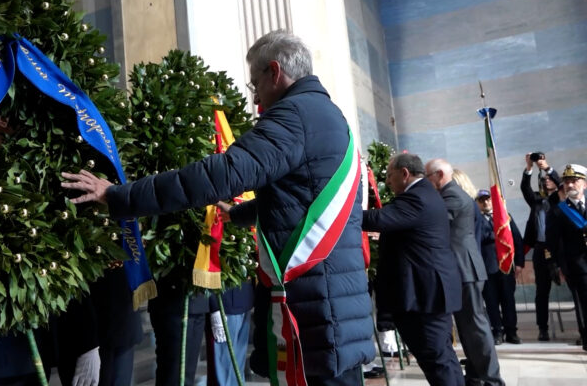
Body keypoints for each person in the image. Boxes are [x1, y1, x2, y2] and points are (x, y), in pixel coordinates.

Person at [62, 30, 375, 384]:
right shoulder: (328, 115)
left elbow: (219, 174)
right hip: (334, 305)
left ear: (274, 72)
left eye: (255, 83)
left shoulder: (294, 118)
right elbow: (304, 198)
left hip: (319, 310)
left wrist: (119, 196)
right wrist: (239, 214)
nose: (255, 96)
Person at [361, 153, 464, 386]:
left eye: (390, 176)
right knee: (442, 358)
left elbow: (378, 219)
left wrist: (337, 212)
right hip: (428, 293)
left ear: (404, 174)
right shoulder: (425, 194)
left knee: (437, 360)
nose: (387, 182)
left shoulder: (417, 198)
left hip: (425, 296)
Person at [424, 159, 504, 385]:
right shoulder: (451, 194)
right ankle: (478, 375)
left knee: (475, 327)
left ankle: (491, 379)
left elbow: (432, 224)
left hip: (464, 268)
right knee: (469, 327)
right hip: (462, 268)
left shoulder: (452, 196)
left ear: (439, 175)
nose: (427, 183)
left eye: (428, 177)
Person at [545, 164, 587, 351]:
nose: (570, 185)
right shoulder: (558, 211)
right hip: (577, 266)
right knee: (583, 303)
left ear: (584, 184)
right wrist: (555, 265)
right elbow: (553, 242)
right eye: (567, 182)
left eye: (574, 181)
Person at [520, 153, 561, 341]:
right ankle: (542, 327)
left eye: (548, 179)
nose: (546, 182)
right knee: (541, 291)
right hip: (540, 249)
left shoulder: (560, 199)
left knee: (578, 285)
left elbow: (562, 184)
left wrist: (546, 167)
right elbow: (524, 188)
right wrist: (529, 167)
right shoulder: (537, 200)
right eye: (543, 180)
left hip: (559, 249)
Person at [475, 190, 524, 345]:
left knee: (508, 300)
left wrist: (520, 263)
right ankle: (497, 331)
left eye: (488, 199)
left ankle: (511, 331)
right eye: (481, 200)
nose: (486, 203)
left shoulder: (504, 217)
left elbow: (516, 239)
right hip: (487, 267)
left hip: (505, 266)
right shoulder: (476, 220)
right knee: (491, 302)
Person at [206, 282, 255, 386]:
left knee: (237, 374)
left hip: (244, 299)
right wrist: (214, 305)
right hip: (224, 305)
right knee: (222, 374)